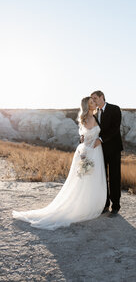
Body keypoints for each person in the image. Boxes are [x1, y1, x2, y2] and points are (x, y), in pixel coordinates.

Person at [12, 97, 107, 230]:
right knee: (85, 179)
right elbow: (87, 136)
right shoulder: (88, 118)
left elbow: (85, 136)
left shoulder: (93, 117)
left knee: (91, 179)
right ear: (86, 106)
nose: (94, 104)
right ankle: (84, 206)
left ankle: (89, 203)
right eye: (91, 102)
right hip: (90, 151)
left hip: (94, 151)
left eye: (94, 102)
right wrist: (88, 147)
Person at [91, 90, 123, 216]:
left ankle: (115, 206)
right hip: (100, 151)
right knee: (102, 178)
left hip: (114, 149)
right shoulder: (94, 113)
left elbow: (115, 128)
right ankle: (105, 204)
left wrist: (101, 139)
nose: (93, 101)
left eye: (95, 98)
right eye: (92, 99)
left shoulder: (114, 109)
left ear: (102, 97)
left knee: (115, 177)